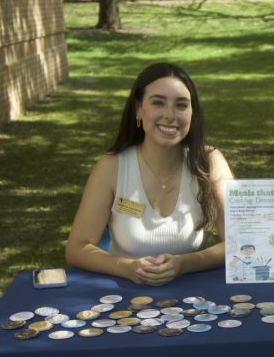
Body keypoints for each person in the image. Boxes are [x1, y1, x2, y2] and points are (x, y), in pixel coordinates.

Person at [66, 62, 233, 286]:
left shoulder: (209, 162)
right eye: (158, 103)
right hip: (126, 297)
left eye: (181, 105)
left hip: (194, 298)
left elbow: (241, 240)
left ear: (192, 114)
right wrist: (125, 267)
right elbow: (77, 248)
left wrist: (184, 264)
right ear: (138, 108)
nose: (170, 115)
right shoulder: (112, 167)